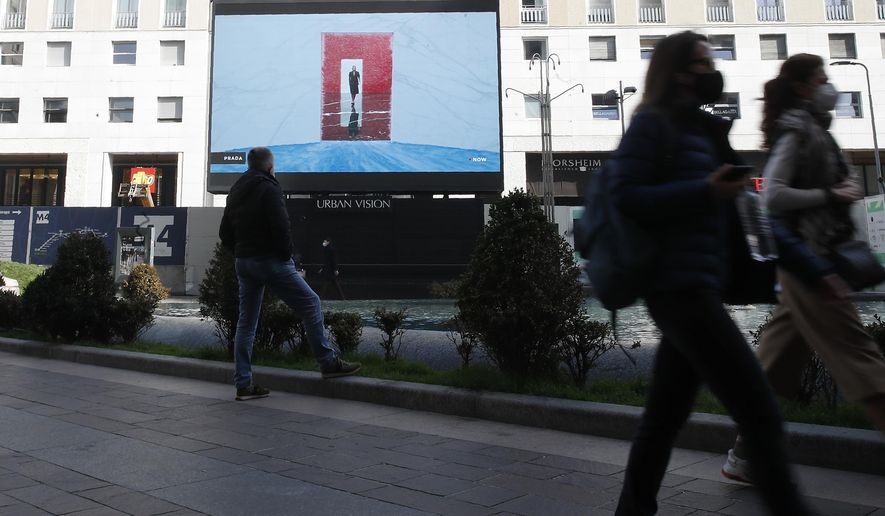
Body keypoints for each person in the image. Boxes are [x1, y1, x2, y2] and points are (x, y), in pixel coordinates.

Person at [609, 32, 807, 515]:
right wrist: (704, 191)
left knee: (663, 418)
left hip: (701, 287)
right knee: (759, 411)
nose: (710, 68)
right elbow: (625, 197)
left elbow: (751, 212)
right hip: (678, 289)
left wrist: (814, 269)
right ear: (677, 71)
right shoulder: (652, 125)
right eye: (701, 62)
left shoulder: (705, 130)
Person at [721, 54, 885, 483]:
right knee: (861, 359)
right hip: (811, 263)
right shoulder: (798, 129)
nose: (830, 85)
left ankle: (744, 454)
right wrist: (830, 194)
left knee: (775, 364)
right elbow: (771, 196)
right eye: (822, 78)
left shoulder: (813, 129)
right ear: (802, 86)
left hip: (805, 263)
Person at [219, 147, 360, 401]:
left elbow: (224, 234)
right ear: (270, 167)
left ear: (249, 166)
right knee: (311, 304)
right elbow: (282, 226)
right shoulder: (270, 187)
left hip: (245, 262)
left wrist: (240, 253)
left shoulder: (236, 190)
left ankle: (243, 384)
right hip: (271, 261)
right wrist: (285, 257)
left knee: (246, 323)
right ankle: (328, 364)